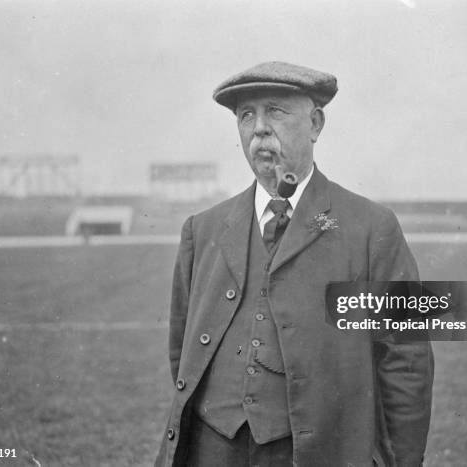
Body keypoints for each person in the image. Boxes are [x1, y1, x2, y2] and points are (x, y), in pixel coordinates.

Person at [155, 61, 434, 467]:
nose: (260, 128)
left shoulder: (371, 227)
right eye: (246, 114)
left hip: (315, 452)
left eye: (276, 111)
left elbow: (406, 364)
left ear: (316, 124)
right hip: (211, 449)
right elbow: (181, 350)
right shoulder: (203, 229)